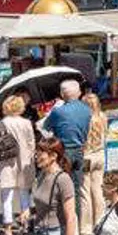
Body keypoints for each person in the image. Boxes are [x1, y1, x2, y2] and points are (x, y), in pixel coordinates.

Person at [0, 94, 36, 235]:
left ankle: (8, 228)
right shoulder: (27, 123)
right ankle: (25, 225)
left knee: (6, 197)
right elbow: (31, 144)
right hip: (24, 162)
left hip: (6, 164)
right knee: (24, 195)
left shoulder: (0, 124)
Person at [42, 79, 91, 211]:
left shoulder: (58, 112)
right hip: (80, 150)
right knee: (76, 188)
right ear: (79, 93)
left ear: (62, 94)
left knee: (62, 187)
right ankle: (76, 221)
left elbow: (45, 127)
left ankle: (64, 222)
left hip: (63, 152)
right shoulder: (87, 110)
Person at [80, 93, 108, 235]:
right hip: (100, 156)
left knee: (85, 191)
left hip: (87, 157)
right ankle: (100, 222)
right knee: (98, 190)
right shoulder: (103, 117)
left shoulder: (84, 119)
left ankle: (85, 226)